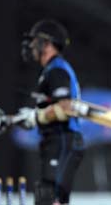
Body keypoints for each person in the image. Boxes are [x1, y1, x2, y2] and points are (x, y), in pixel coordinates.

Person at [17, 19, 84, 205]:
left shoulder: (56, 70)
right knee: (48, 196)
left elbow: (66, 107)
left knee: (50, 197)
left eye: (34, 40)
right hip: (57, 141)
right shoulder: (51, 70)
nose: (31, 45)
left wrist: (36, 116)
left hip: (63, 139)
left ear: (46, 43)